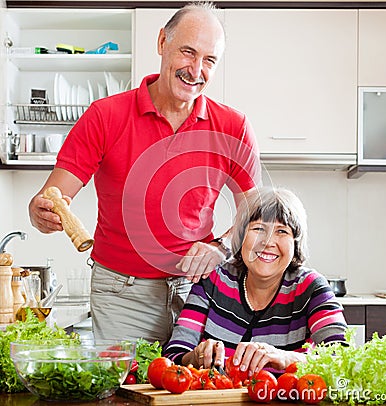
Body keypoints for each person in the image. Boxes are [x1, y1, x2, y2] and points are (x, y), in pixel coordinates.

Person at [28, 1, 261, 345]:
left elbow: (256, 215)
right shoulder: (105, 116)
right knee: (123, 392)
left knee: (199, 392)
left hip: (201, 291)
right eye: (187, 52)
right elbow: (52, 196)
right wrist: (40, 212)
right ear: (162, 42)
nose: (196, 70)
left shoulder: (234, 126)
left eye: (209, 60)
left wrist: (222, 248)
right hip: (121, 293)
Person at [163, 187, 348, 376]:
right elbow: (173, 355)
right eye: (259, 228)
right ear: (241, 237)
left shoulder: (311, 287)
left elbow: (342, 359)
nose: (268, 242)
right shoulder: (212, 281)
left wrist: (286, 358)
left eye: (282, 231)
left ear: (295, 243)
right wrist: (194, 357)